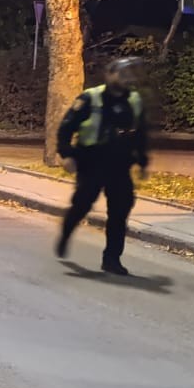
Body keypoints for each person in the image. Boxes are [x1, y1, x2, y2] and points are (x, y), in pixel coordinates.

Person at [55, 57, 149, 276]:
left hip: (119, 165)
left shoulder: (134, 100)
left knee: (119, 212)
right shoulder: (90, 98)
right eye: (123, 74)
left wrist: (142, 160)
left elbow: (141, 133)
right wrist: (66, 154)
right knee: (82, 205)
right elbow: (66, 128)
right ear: (110, 74)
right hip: (91, 161)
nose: (127, 78)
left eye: (130, 74)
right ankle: (67, 232)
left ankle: (112, 259)